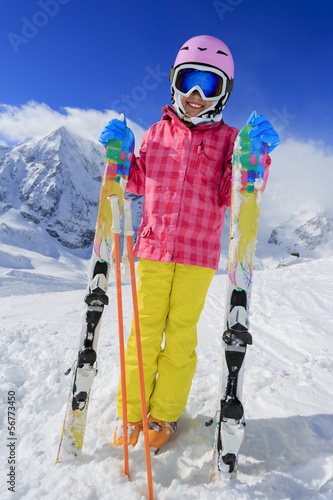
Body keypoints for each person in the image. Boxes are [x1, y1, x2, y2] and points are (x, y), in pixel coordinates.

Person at [99, 35, 280, 451]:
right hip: (153, 250)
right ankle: (131, 413)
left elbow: (234, 194)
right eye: (189, 81)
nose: (196, 95)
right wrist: (120, 155)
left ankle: (163, 414)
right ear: (174, 84)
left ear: (224, 92)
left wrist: (255, 158)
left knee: (180, 337)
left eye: (209, 84)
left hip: (198, 257)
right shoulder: (156, 134)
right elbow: (133, 184)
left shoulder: (230, 140)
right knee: (142, 334)